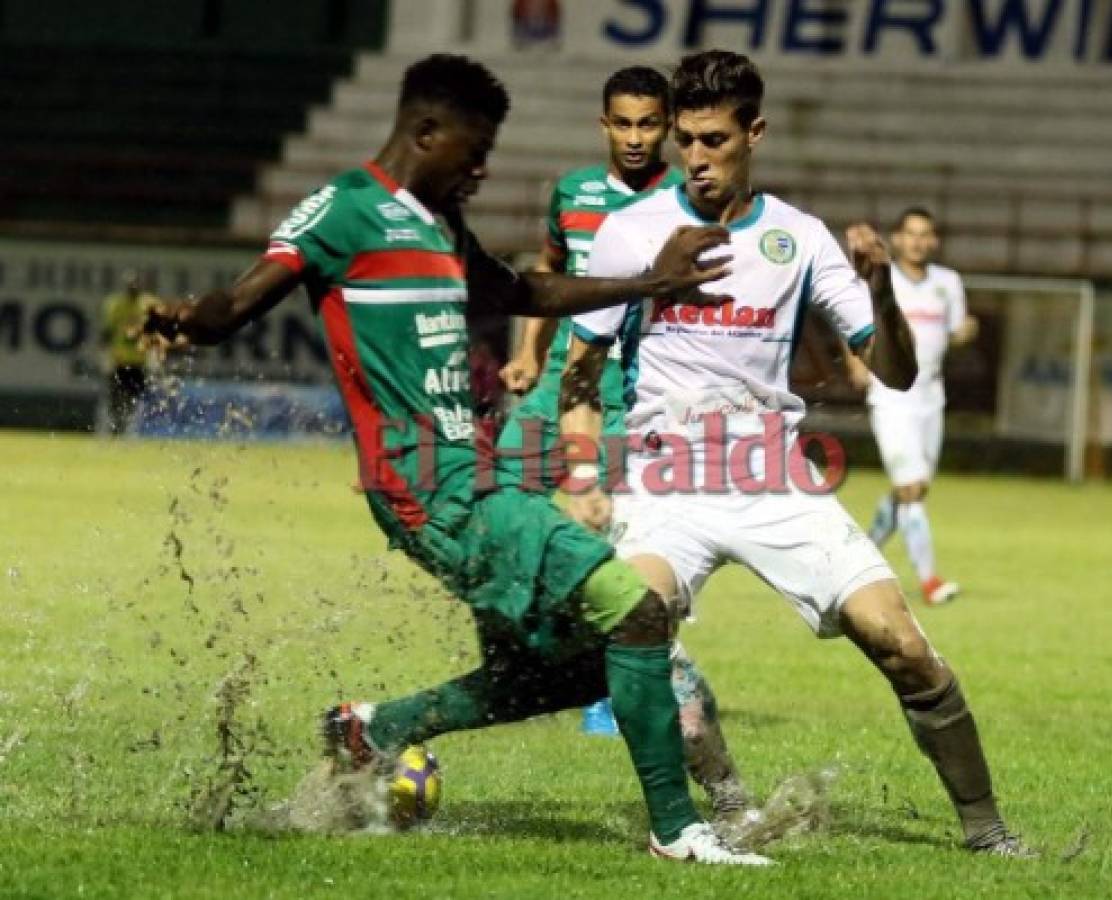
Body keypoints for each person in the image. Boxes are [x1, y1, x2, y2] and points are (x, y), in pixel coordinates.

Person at [141, 54, 767, 865]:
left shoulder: (440, 225)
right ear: (424, 131)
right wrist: (193, 319)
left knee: (591, 668)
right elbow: (246, 295)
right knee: (638, 613)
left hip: (475, 476)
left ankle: (375, 730)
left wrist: (649, 282)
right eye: (472, 149)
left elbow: (524, 293)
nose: (481, 167)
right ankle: (680, 833)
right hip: (425, 485)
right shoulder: (346, 208)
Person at [560, 50, 1033, 857]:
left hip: (769, 472)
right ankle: (718, 812)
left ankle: (987, 833)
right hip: (665, 475)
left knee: (902, 646)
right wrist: (579, 477)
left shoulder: (796, 236)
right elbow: (581, 374)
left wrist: (880, 287)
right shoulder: (631, 232)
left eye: (714, 138)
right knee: (638, 635)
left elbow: (893, 370)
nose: (696, 157)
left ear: (755, 133)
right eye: (685, 140)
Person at [494, 62, 752, 826]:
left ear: (668, 126)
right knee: (495, 508)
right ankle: (541, 659)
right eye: (624, 124)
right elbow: (549, 272)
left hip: (629, 395)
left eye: (650, 125)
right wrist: (531, 352)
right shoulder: (572, 194)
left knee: (610, 548)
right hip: (559, 384)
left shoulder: (689, 201)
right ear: (602, 124)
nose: (637, 138)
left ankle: (644, 683)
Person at [846, 208, 978, 605]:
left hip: (930, 396)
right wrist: (855, 361)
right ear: (898, 239)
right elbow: (852, 322)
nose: (918, 241)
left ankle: (858, 559)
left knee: (912, 491)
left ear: (933, 241)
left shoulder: (948, 283)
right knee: (911, 489)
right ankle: (930, 582)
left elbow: (954, 332)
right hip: (891, 394)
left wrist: (965, 333)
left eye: (926, 235)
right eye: (910, 234)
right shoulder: (882, 281)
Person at [100, 271, 157, 433]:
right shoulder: (116, 305)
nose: (133, 288)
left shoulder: (149, 305)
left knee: (134, 399)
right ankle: (113, 427)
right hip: (120, 360)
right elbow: (107, 333)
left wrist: (154, 357)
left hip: (139, 361)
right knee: (115, 399)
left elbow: (157, 334)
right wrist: (105, 357)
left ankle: (128, 429)